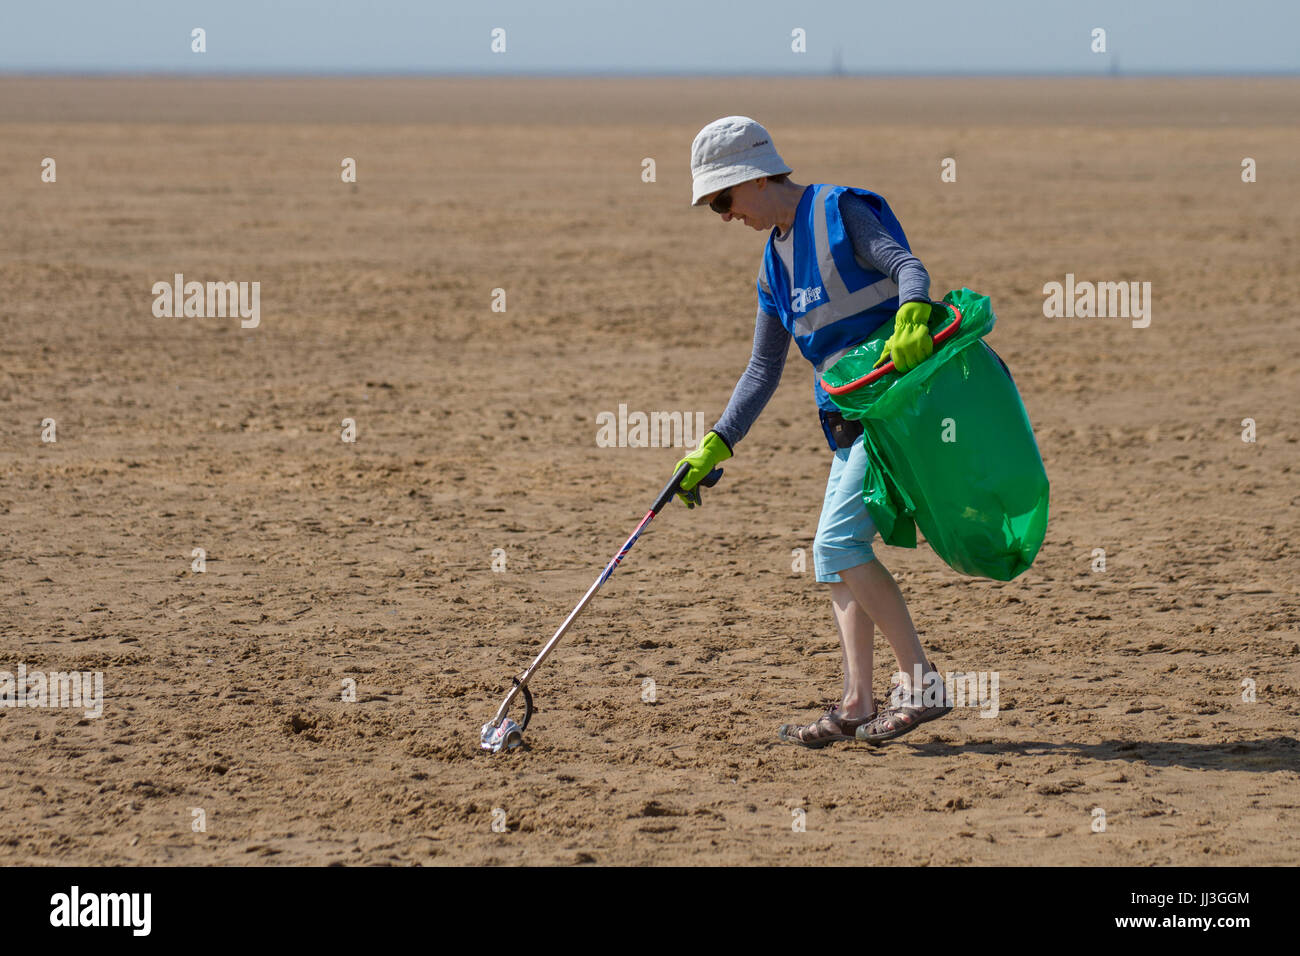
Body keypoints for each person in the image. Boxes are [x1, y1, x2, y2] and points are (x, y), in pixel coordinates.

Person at [673, 116, 950, 748]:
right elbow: (764, 367)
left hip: (894, 410)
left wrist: (912, 309)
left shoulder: (840, 210)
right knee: (831, 562)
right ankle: (856, 702)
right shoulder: (772, 265)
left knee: (837, 546)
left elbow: (908, 267)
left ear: (756, 175)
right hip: (848, 423)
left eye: (722, 199)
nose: (722, 215)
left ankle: (923, 683)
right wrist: (718, 441)